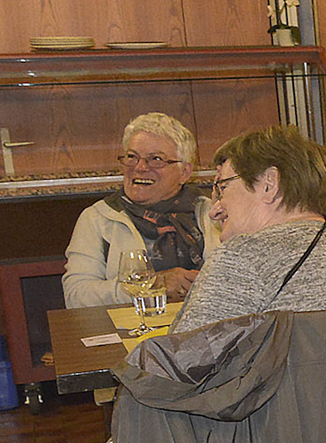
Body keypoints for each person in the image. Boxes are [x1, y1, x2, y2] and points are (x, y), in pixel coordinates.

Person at [42, 125, 326, 443]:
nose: (215, 208)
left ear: (269, 184)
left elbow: (169, 378)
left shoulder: (241, 258)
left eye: (223, 188)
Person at [64, 112, 216, 308]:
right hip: (133, 325)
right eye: (132, 157)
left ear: (184, 172)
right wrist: (152, 285)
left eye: (156, 159)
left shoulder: (213, 212)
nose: (140, 167)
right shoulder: (98, 218)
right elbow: (76, 296)